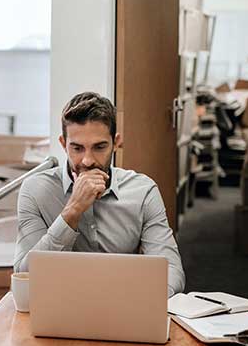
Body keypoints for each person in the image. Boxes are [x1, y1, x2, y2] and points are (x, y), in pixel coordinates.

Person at [14, 92, 185, 296]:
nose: (87, 160)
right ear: (63, 144)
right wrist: (72, 211)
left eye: (99, 147)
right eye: (77, 148)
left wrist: (142, 301)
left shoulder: (143, 191)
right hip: (60, 305)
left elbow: (172, 271)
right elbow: (26, 276)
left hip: (124, 303)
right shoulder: (35, 190)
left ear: (115, 143)